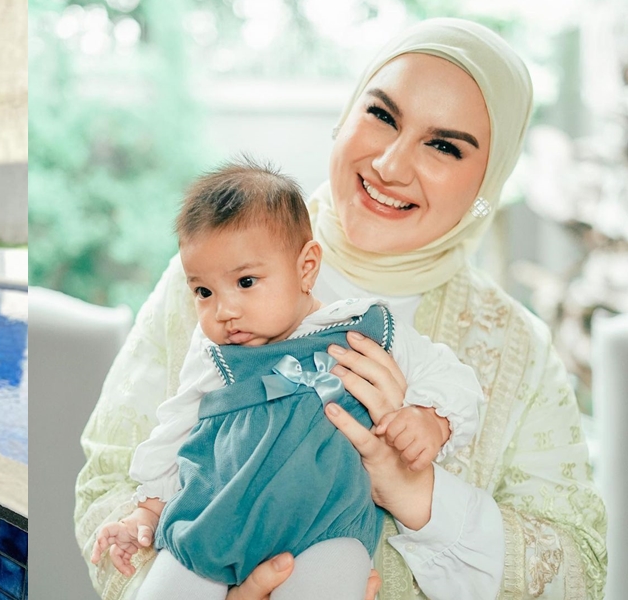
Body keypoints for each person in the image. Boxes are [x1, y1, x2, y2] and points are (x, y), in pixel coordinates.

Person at [76, 18, 608, 600]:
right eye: (382, 115)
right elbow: (110, 477)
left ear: (489, 184)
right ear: (346, 114)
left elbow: (579, 571)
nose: (390, 165)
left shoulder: (515, 347)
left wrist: (418, 494)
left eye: (444, 145)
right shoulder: (217, 275)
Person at [89, 161, 482, 600]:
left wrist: (429, 418)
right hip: (215, 521)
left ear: (306, 267)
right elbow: (174, 430)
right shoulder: (216, 356)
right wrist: (146, 513)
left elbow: (453, 378)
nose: (223, 310)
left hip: (327, 530)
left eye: (246, 281)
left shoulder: (364, 327)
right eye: (204, 291)